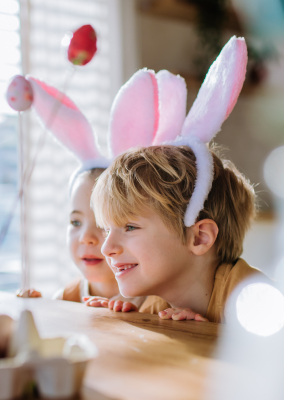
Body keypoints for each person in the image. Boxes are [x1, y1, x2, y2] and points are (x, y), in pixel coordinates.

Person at [90, 36, 265, 323]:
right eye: (107, 229)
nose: (106, 247)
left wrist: (213, 335)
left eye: (129, 226)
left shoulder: (252, 299)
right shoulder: (151, 304)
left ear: (199, 237)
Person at [16, 76, 169, 314]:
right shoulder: (67, 298)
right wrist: (39, 311)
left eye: (103, 224)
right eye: (75, 222)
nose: (87, 237)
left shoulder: (158, 305)